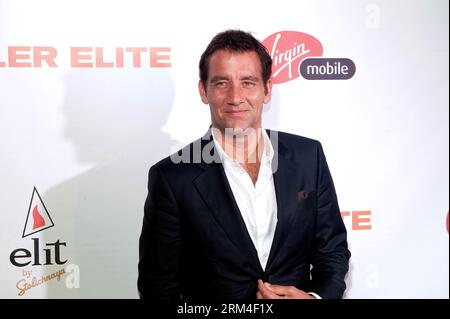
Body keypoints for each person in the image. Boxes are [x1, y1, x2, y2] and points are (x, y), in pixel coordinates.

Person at [138, 29, 350, 299]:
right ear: (204, 90)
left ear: (267, 89)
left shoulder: (309, 156)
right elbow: (158, 288)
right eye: (221, 83)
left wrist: (313, 298)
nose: (235, 97)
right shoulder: (171, 177)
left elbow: (332, 251)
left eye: (248, 82)